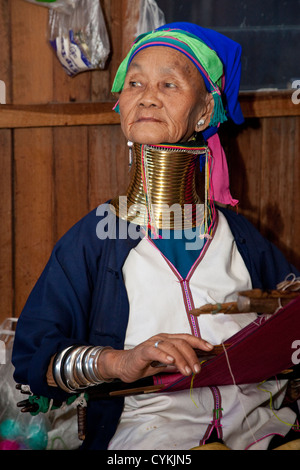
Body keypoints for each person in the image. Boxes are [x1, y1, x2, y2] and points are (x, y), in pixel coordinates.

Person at [12, 22, 300, 450]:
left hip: (262, 431)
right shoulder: (97, 237)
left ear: (205, 112)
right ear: (122, 102)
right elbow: (33, 360)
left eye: (169, 84)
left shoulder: (239, 236)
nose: (147, 95)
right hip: (148, 440)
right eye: (135, 82)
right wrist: (120, 361)